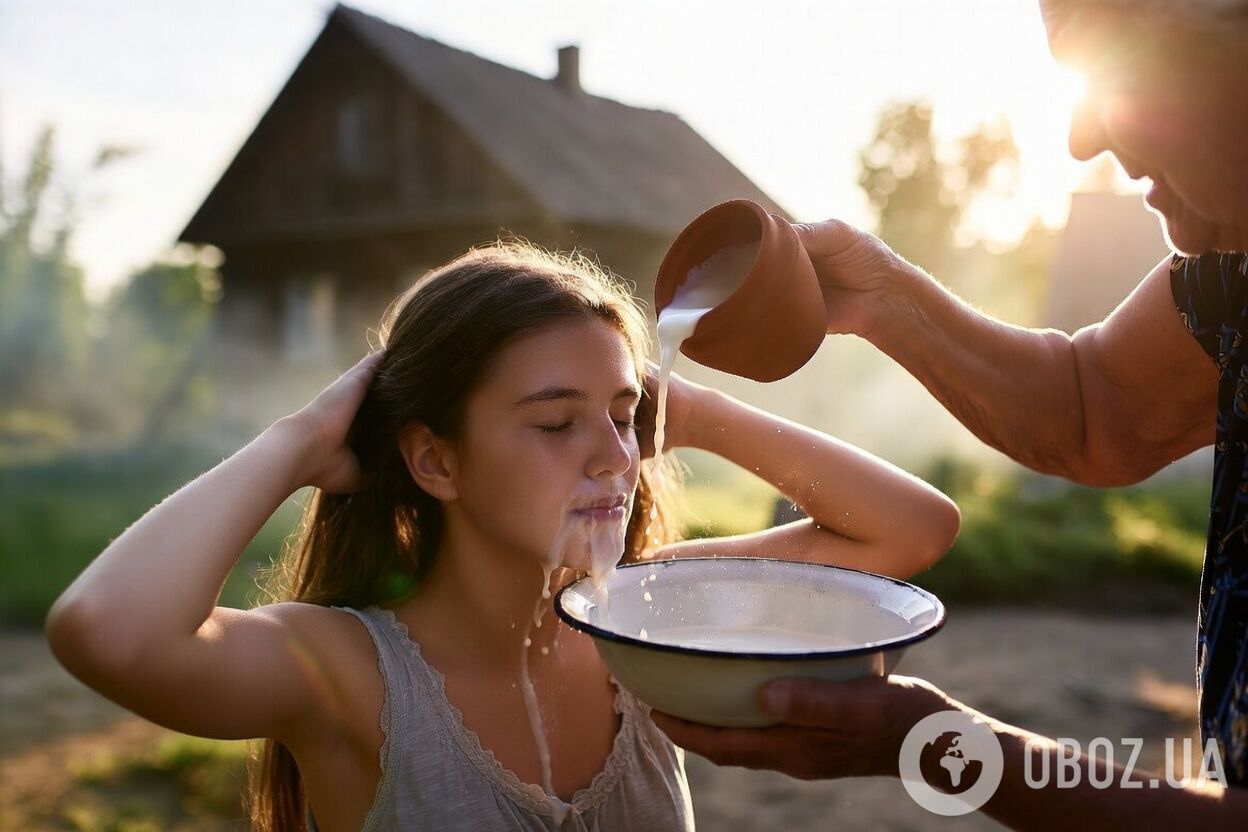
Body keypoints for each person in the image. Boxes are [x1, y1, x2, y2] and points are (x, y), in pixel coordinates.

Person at [44, 241, 960, 831]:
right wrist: (303, 441)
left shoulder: (650, 625)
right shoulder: (347, 676)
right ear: (435, 462)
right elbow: (105, 630)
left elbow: (912, 530)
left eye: (626, 417)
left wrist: (694, 410)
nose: (614, 457)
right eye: (556, 423)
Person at [652, 0, 1248, 827]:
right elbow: (1095, 409)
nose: (1081, 140)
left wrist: (926, 743)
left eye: (1121, 65)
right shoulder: (1234, 272)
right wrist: (888, 298)